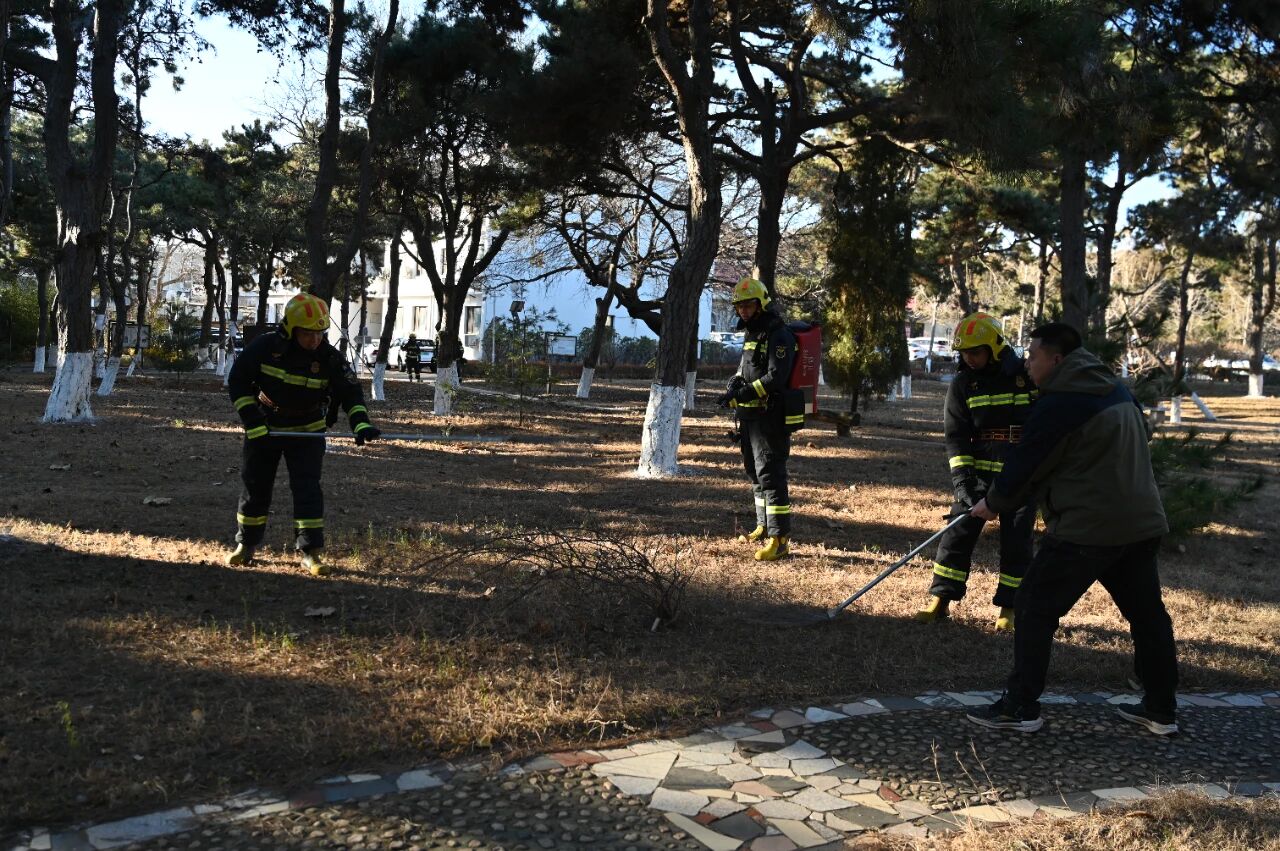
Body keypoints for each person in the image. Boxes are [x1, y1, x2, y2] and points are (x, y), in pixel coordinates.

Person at [966, 322, 1178, 736]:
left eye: (1033, 355)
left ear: (1057, 359)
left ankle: (1020, 707)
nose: (1026, 363)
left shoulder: (1062, 402)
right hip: (1140, 522)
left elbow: (1027, 463)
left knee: (1033, 606)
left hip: (1088, 528)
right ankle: (1161, 709)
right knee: (1148, 615)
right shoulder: (1114, 388)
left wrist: (992, 503)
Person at [226, 293, 382, 576]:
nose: (315, 340)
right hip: (266, 429)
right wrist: (252, 420)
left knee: (307, 490)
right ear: (290, 329)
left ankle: (311, 552)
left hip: (307, 431)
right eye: (308, 333)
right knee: (255, 486)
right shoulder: (264, 348)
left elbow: (350, 392)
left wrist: (361, 424)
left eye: (320, 333)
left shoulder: (328, 357)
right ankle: (246, 544)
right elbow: (237, 381)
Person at [915, 313, 1037, 632]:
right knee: (956, 534)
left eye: (975, 351)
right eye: (964, 352)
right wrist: (963, 482)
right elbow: (956, 436)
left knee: (1017, 541)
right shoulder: (963, 384)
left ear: (995, 348)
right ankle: (941, 598)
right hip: (978, 474)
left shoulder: (1025, 377)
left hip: (1020, 474)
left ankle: (1010, 608)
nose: (969, 358)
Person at [717, 277, 797, 561]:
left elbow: (776, 377)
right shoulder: (752, 333)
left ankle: (780, 539)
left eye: (749, 305)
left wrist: (746, 392)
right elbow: (746, 369)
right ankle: (763, 527)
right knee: (754, 473)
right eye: (740, 306)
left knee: (771, 475)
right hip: (750, 416)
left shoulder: (779, 335)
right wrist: (733, 386)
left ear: (761, 304)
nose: (743, 311)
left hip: (770, 417)